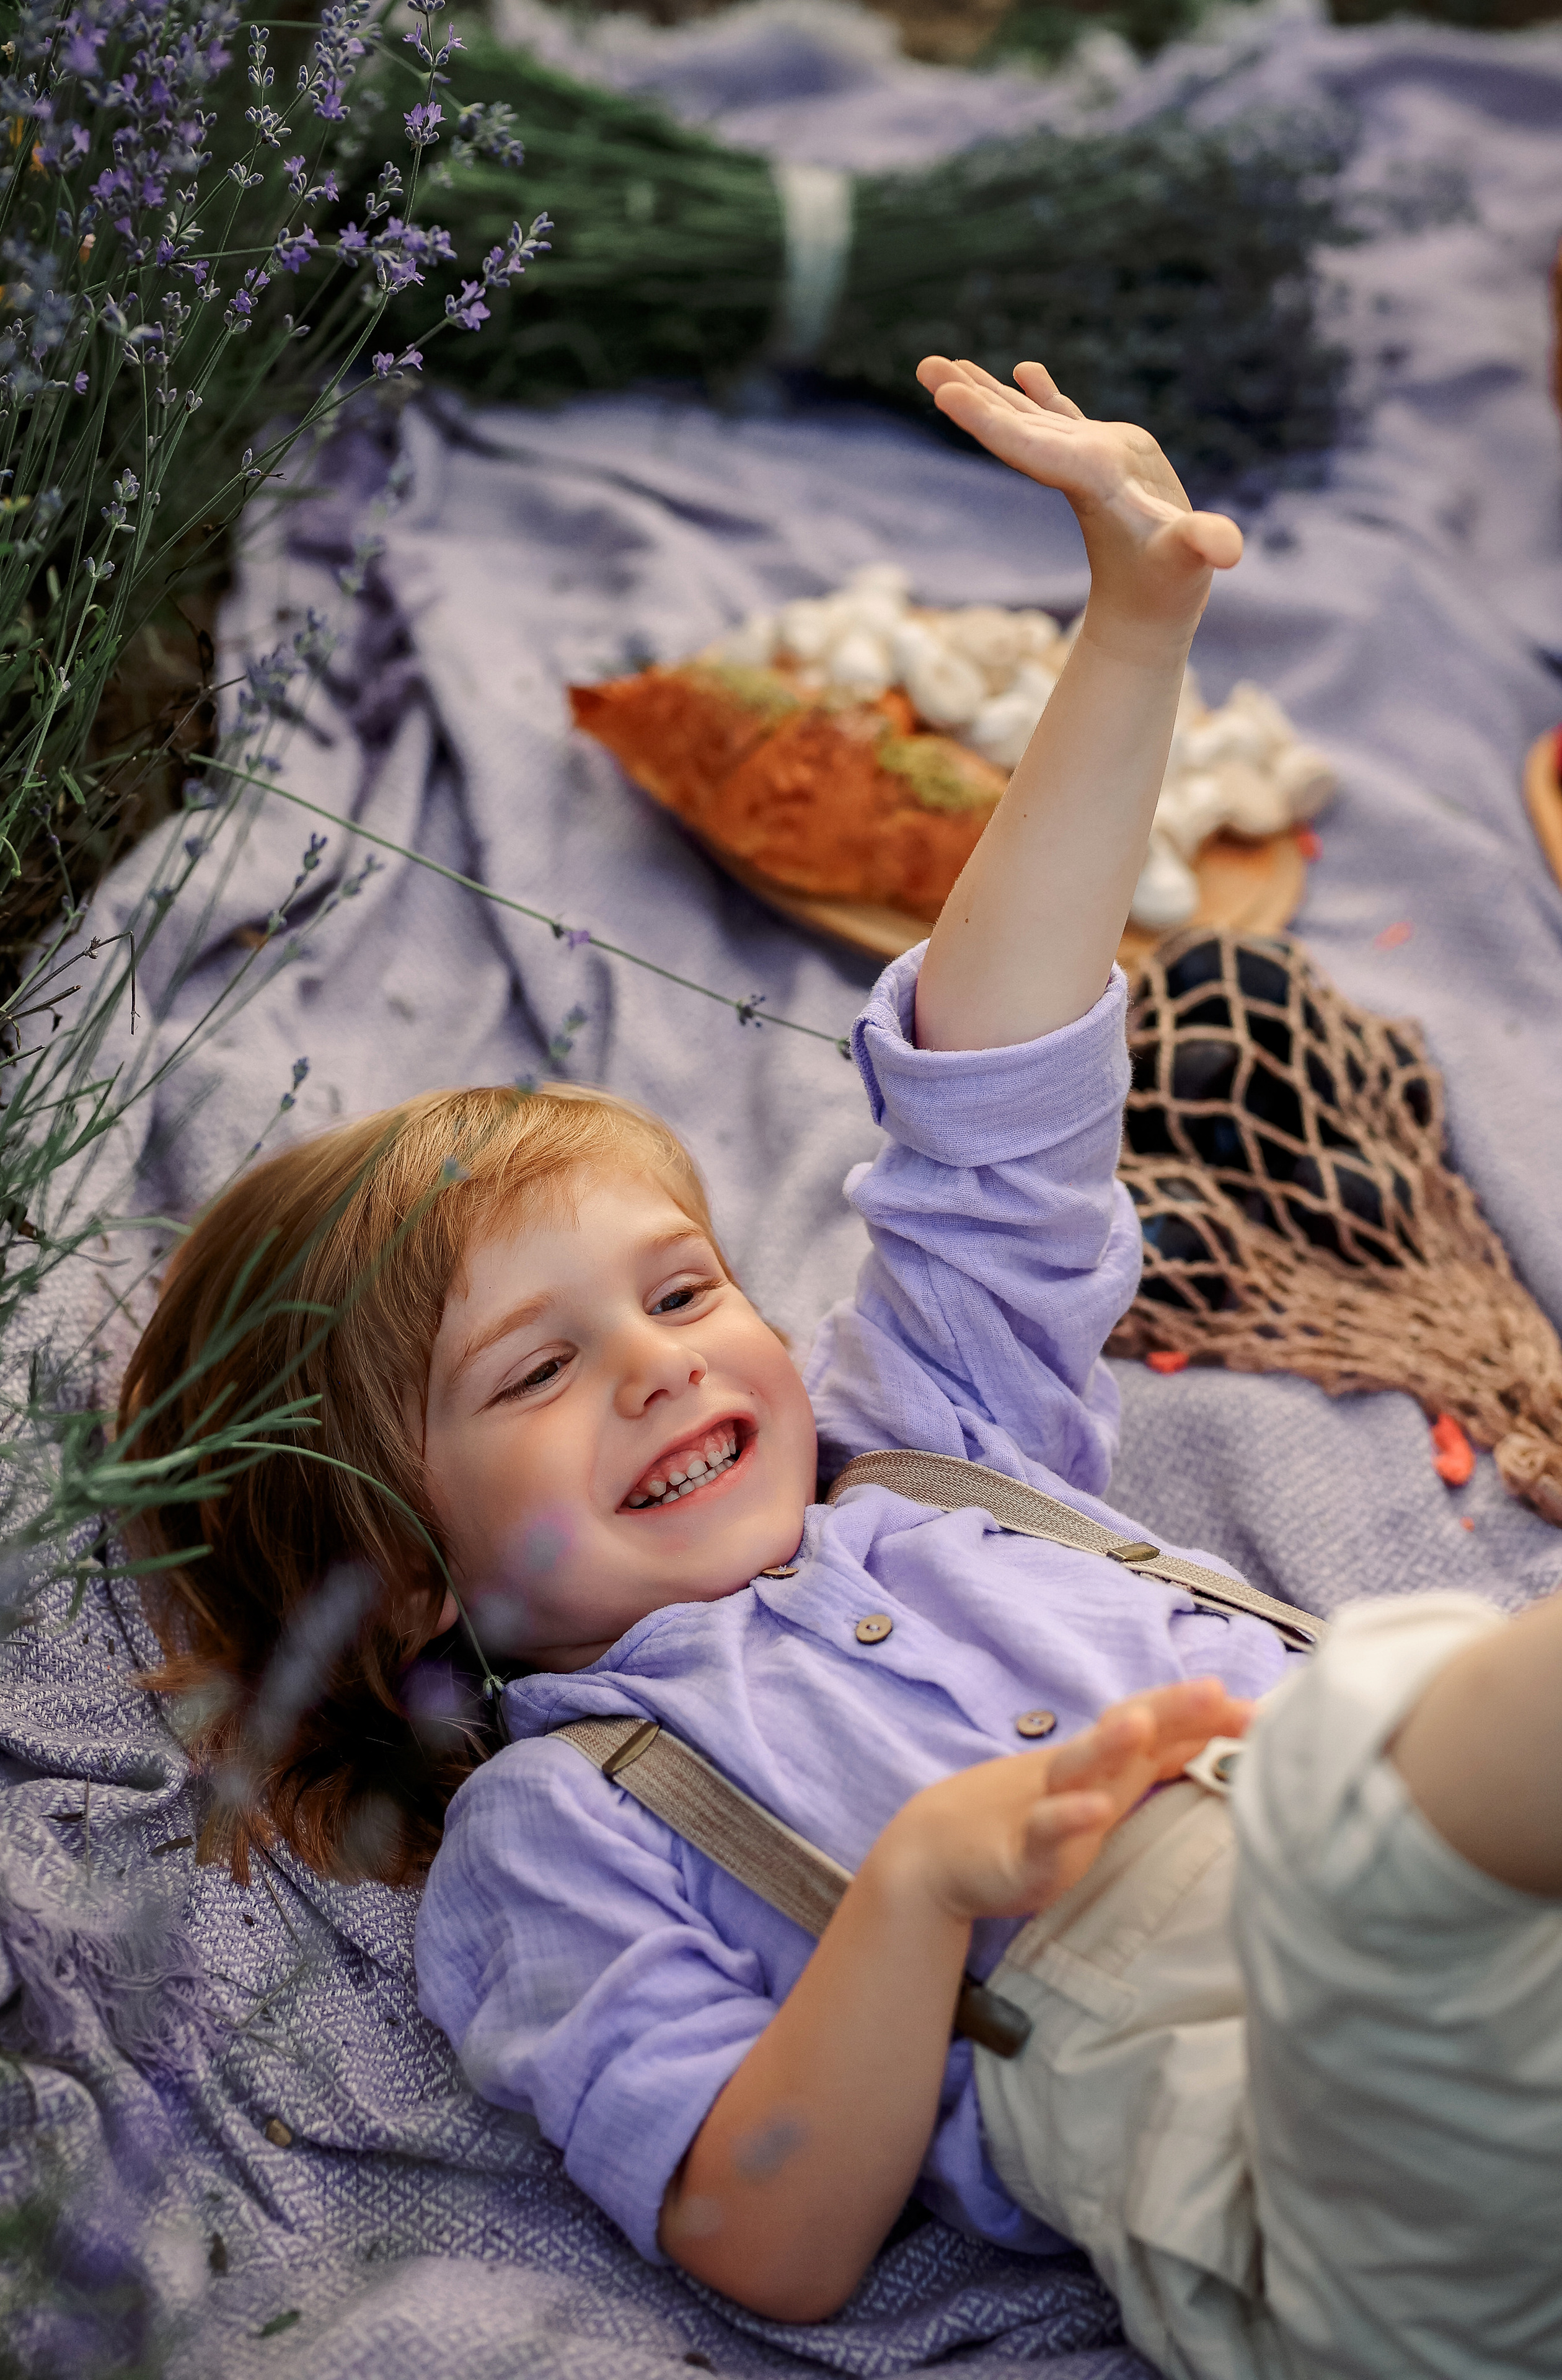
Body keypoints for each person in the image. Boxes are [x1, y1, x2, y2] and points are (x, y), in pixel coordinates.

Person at [122, 359, 1562, 2380]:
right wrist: (912, 1892)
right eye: (537, 1368)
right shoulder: (561, 1831)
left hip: (1491, 1935)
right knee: (1407, 1738)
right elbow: (759, 2228)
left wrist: (1137, 626)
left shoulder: (933, 1442)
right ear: (405, 1574)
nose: (656, 1363)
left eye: (690, 1291)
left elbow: (998, 1080)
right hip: (1300, 2144)